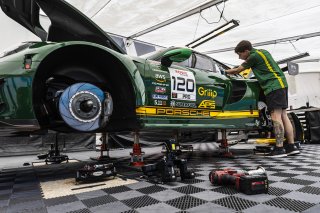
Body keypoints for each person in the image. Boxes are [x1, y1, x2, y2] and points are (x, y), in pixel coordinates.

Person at [225, 40, 300, 157]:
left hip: (273, 86)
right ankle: (291, 146)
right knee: (284, 115)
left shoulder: (253, 57)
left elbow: (237, 70)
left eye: (240, 54)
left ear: (246, 51)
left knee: (275, 115)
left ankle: (279, 148)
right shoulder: (263, 52)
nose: (240, 58)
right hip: (282, 84)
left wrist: (223, 72)